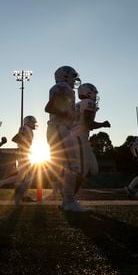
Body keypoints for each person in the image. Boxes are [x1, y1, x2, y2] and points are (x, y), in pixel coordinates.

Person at [44, 66, 87, 212]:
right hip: (59, 128)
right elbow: (50, 107)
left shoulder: (62, 87)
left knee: (67, 167)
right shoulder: (62, 87)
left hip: (58, 129)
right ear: (65, 76)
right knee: (72, 166)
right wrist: (67, 114)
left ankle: (66, 201)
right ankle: (69, 201)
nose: (74, 80)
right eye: (72, 76)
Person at [72, 83, 111, 194]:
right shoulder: (89, 103)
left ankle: (68, 181)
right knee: (83, 170)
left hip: (78, 138)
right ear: (88, 92)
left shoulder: (78, 104)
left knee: (93, 169)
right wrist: (103, 124)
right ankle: (69, 198)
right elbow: (88, 124)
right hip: (79, 138)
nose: (95, 95)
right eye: (94, 92)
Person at [0, 115, 38, 205]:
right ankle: (22, 195)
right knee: (27, 176)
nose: (34, 124)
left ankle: (2, 184)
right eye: (33, 122)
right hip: (22, 152)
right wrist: (24, 146)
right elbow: (15, 138)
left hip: (24, 152)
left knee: (23, 176)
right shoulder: (25, 128)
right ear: (28, 122)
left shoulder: (28, 129)